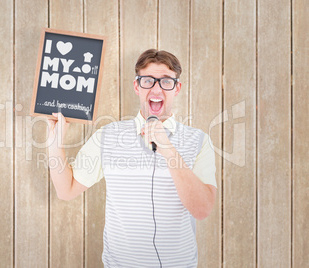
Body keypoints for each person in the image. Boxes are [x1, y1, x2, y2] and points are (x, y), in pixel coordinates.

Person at [47, 49, 217, 267]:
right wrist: (54, 143)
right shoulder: (107, 136)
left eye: (166, 81)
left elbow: (202, 210)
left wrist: (168, 149)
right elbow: (66, 189)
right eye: (148, 81)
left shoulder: (199, 141)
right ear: (137, 87)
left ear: (177, 88)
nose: (156, 89)